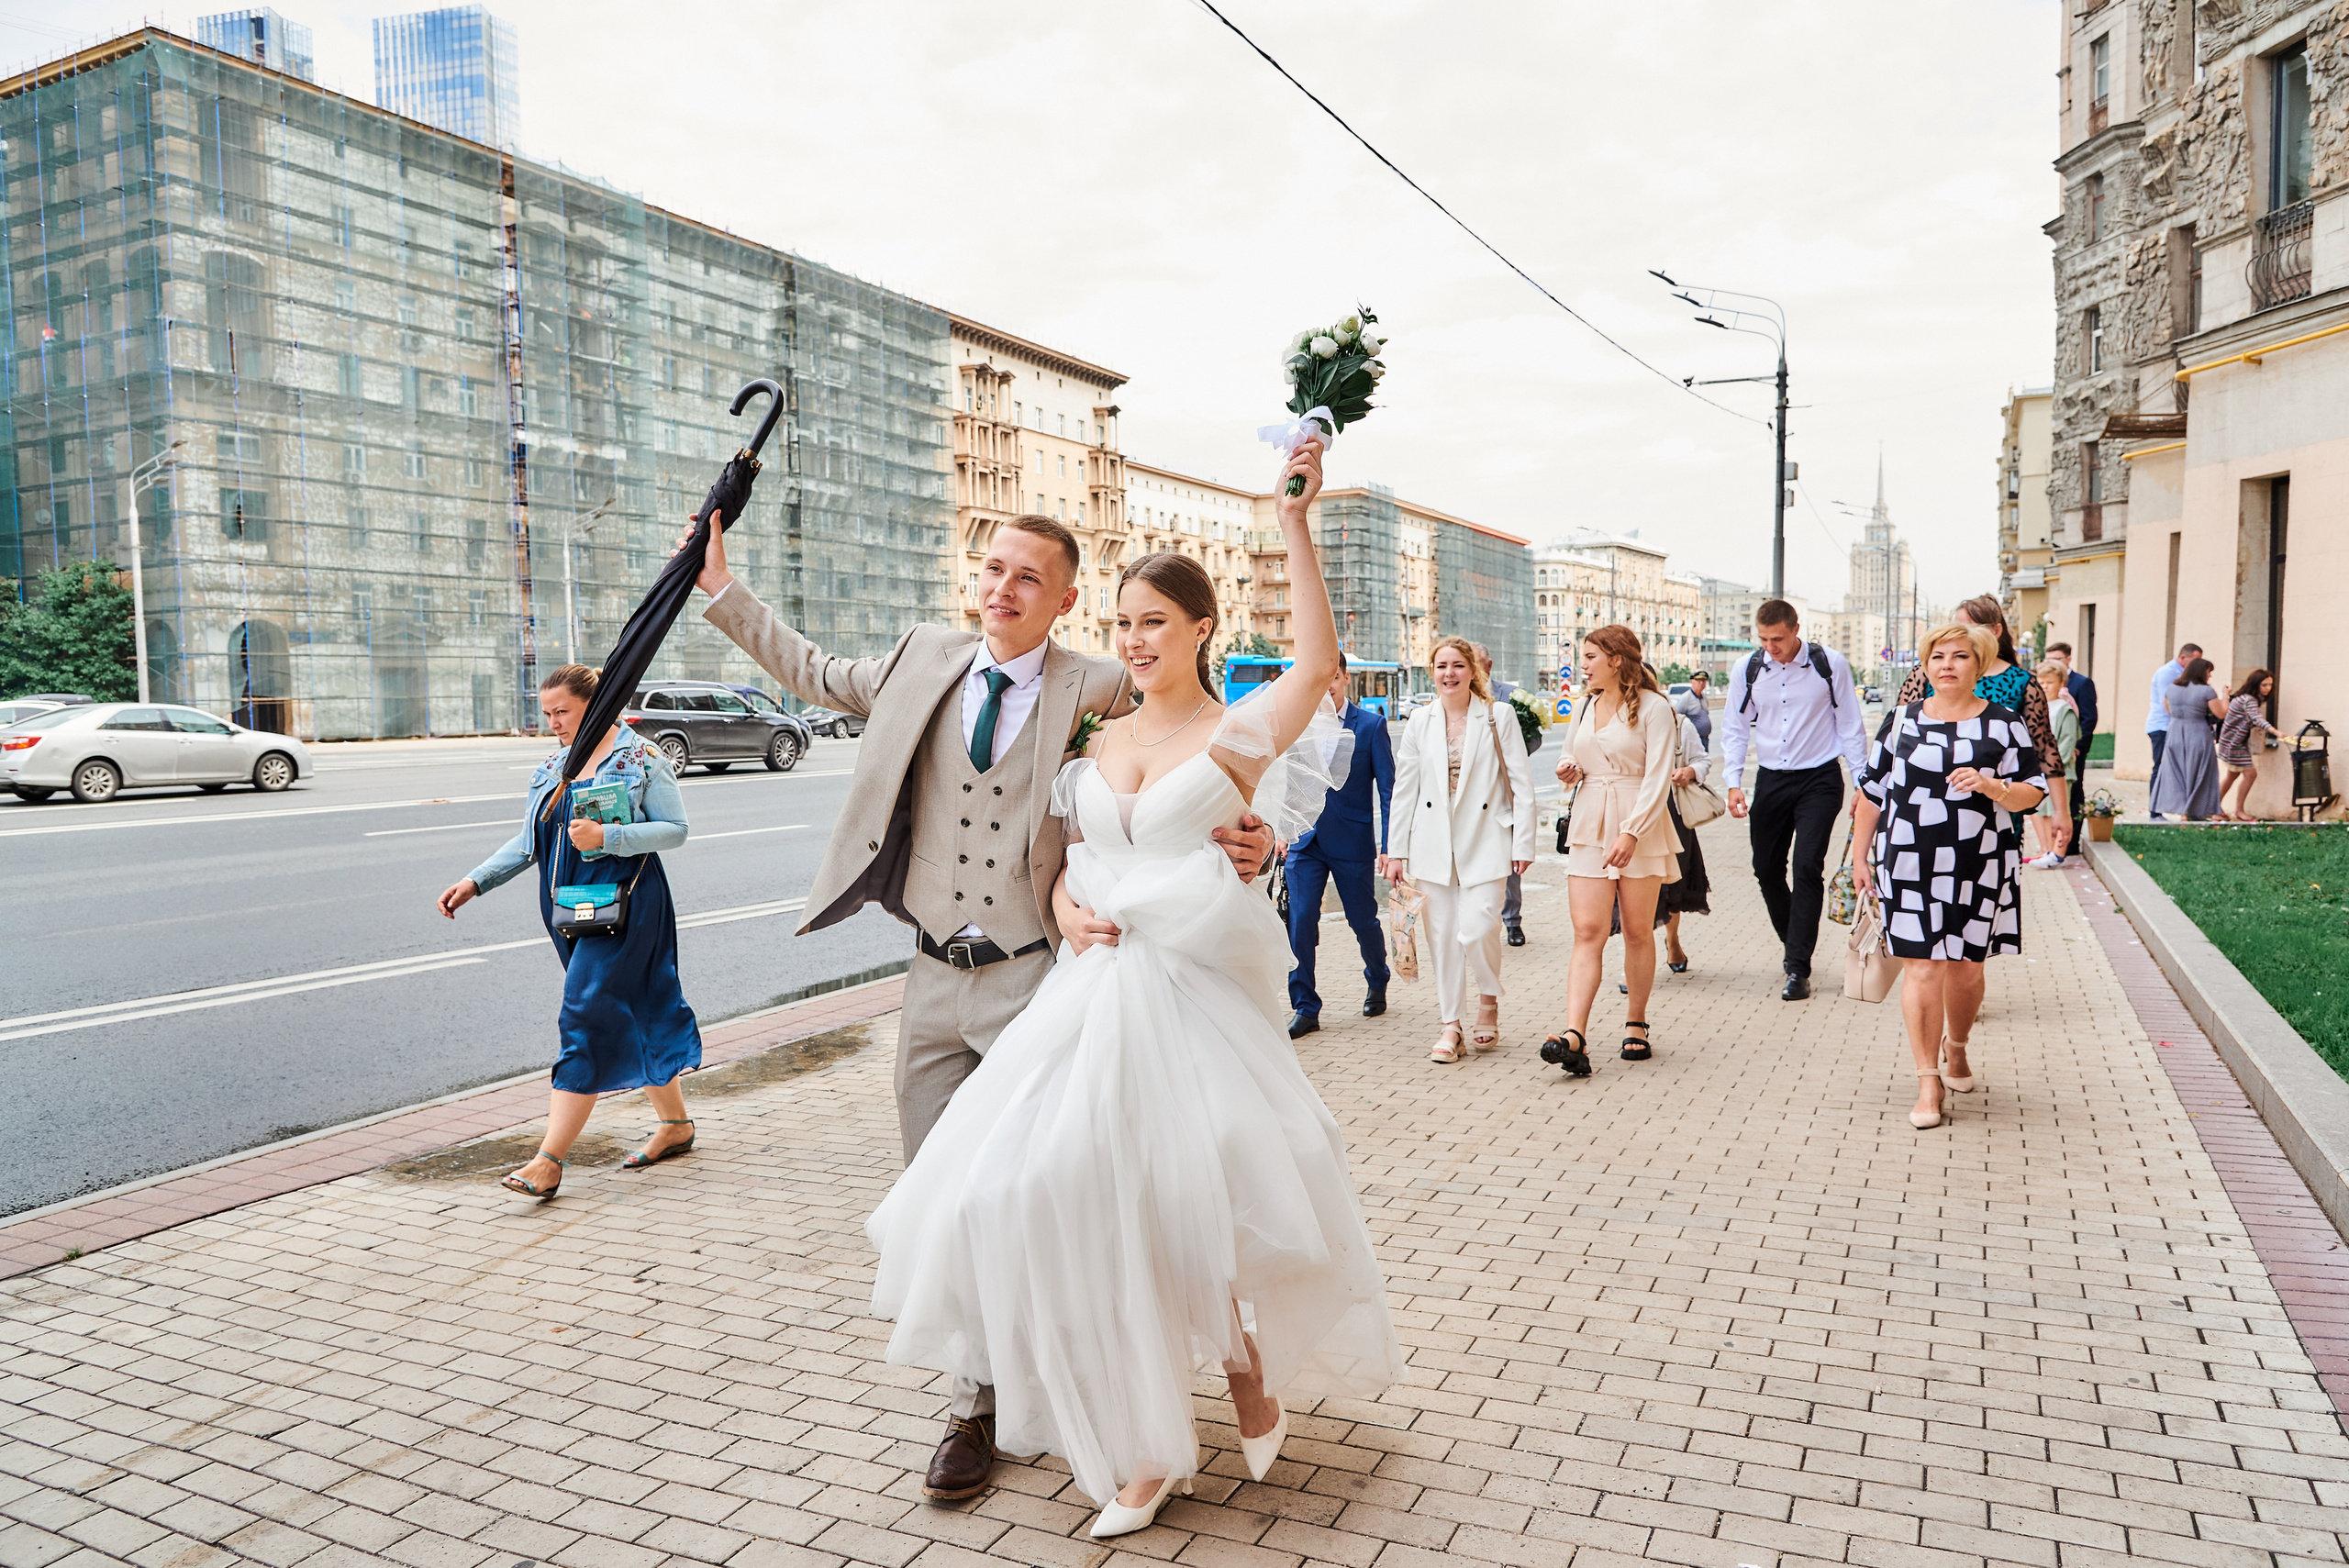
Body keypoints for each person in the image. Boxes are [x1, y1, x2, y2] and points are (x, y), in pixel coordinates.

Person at [866, 440, 1402, 1537]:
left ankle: (1196, 1409)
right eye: (1120, 623)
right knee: (1039, 1192)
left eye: (1153, 620)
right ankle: (1179, 1404)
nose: (1132, 639)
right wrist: (1063, 906)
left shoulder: (1236, 732)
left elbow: (1313, 660)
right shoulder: (1093, 731)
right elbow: (1056, 858)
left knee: (1178, 1198)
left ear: (1202, 628)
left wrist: (1291, 520)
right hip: (1086, 997)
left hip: (1189, 1006)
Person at [685, 506, 1273, 1500]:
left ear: (1065, 600)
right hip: (926, 981)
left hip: (1032, 979)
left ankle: (1057, 1389)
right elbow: (818, 673)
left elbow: (1195, 755)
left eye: (1027, 578)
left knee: (1033, 1196)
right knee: (946, 1199)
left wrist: (1259, 842)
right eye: (991, 568)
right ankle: (977, 1400)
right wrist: (718, 590)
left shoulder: (1098, 682)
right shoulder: (925, 655)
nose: (1001, 588)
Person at [437, 664, 700, 1197]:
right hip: (572, 907)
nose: (553, 723)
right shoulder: (553, 766)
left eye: (564, 712)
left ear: (595, 705)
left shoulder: (641, 758)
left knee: (585, 1011)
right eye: (548, 713)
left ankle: (548, 1160)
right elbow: (531, 841)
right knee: (636, 1007)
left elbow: (675, 831)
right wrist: (476, 881)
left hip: (627, 904)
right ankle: (675, 1126)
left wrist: (610, 834)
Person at [1852, 623, 2046, 1131]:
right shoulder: (1900, 722)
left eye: (1960, 656)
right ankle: (1926, 1080)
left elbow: (2033, 792)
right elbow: (1871, 793)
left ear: (1978, 665)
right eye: (1937, 656)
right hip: (1909, 861)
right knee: (1922, 969)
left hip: (1979, 861)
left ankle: (1956, 1047)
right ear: (1924, 664)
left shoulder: (2004, 725)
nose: (1947, 665)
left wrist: (1991, 785)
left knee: (1966, 970)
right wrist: (1858, 858)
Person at [1536, 627, 1681, 1074]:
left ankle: (1636, 1022)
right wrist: (1569, 768)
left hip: (1639, 824)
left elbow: (1659, 778)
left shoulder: (1656, 709)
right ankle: (1575, 1033)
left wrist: (1632, 831)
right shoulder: (1584, 705)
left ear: (1616, 659)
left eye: (1590, 655)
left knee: (1638, 931)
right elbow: (1570, 753)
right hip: (1589, 822)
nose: (1583, 664)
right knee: (1587, 931)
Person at [1386, 638, 1536, 1062]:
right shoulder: (1420, 720)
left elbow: (1521, 784)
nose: (1448, 673)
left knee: (1478, 926)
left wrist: (1523, 842)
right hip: (1433, 844)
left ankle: (1488, 998)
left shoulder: (1497, 716)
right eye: (1440, 666)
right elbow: (1405, 790)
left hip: (1487, 839)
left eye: (1456, 665)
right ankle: (1451, 1026)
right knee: (1443, 939)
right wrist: (1396, 851)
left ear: (1473, 671)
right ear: (1432, 672)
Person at [1721, 600, 1867, 1001]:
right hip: (1771, 778)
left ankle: (1798, 968)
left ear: (1796, 629)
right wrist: (1733, 781)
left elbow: (1851, 726)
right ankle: (1795, 944)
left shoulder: (1829, 664)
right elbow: (1735, 727)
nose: (1772, 647)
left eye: (1779, 639)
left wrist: (1862, 785)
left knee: (1806, 867)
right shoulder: (1748, 669)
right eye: (1765, 639)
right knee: (1766, 868)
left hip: (1820, 778)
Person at [1896, 595, 2067, 852]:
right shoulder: (1928, 673)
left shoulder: (2023, 683)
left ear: (1996, 631)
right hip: (1926, 810)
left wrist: (2061, 811)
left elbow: (2045, 752)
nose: (1960, 636)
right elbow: (1896, 740)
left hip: (1999, 808)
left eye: (1971, 628)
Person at [1285, 649, 1395, 1038]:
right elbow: (1286, 783)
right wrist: (1280, 831)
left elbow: (1388, 792)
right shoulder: (1297, 725)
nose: (1325, 687)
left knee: (1362, 920)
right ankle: (1305, 1006)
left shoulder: (1370, 726)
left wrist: (1390, 846)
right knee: (1299, 924)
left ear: (1345, 679)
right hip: (1304, 843)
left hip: (1352, 841)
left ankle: (1378, 975)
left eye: (1332, 678)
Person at [1474, 643, 1531, 945]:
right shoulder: (1452, 699)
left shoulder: (1510, 697)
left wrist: (1515, 750)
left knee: (1510, 866)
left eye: (1476, 663)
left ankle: (1512, 921)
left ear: (1489, 664)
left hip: (1503, 792)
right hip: (1471, 800)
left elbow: (1533, 738)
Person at [1660, 704, 1713, 971]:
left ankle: (1672, 940)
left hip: (1672, 812)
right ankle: (1633, 960)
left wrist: (1690, 772)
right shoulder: (1614, 720)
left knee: (1672, 885)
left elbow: (1702, 760)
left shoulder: (1679, 724)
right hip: (1628, 813)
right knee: (1630, 888)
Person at [2147, 656, 2226, 820]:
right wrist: (2226, 695)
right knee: (2200, 771)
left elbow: (2168, 709)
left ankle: (2183, 811)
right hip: (2197, 731)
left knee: (2178, 772)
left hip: (2175, 731)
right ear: (2201, 672)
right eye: (2208, 672)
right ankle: (2195, 810)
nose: (2210, 676)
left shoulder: (2172, 688)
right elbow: (2221, 713)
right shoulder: (2207, 691)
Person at [2026, 659, 2079, 867]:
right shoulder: (2039, 707)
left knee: (2058, 809)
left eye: (2049, 682)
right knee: (2042, 810)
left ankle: (2058, 852)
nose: (2045, 687)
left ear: (2060, 684)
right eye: (2041, 682)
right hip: (2040, 768)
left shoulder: (2064, 709)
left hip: (2059, 770)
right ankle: (2047, 848)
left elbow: (2066, 741)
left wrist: (2053, 766)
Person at [2046, 641, 2098, 848]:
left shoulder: (2081, 683)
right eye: (2049, 659)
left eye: (2057, 659)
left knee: (2074, 791)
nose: (2053, 663)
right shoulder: (2045, 681)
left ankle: (2072, 841)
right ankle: (2053, 842)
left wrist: (2078, 746)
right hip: (2052, 747)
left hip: (2073, 748)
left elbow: (2089, 718)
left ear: (2068, 658)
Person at [2217, 669, 2280, 821]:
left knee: (2232, 775)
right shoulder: (2249, 700)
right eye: (2264, 685)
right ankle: (2238, 811)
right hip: (2235, 744)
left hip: (2231, 742)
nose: (2268, 688)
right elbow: (2257, 718)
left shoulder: (2242, 697)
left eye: (2270, 685)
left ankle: (2214, 807)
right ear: (2255, 684)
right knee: (2250, 774)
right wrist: (2275, 732)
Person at [2145, 640, 2200, 814]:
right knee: (2161, 767)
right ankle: (2155, 810)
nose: (2197, 664)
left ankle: (2180, 808)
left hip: (2176, 727)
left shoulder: (2186, 673)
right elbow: (2168, 702)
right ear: (2183, 657)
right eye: (2195, 660)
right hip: (2162, 726)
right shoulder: (2167, 673)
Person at [1673, 669, 1712, 750]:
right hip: (1693, 739)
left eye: (1704, 681)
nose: (1701, 683)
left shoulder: (1704, 698)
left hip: (1704, 738)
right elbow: (1678, 717)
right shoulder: (1686, 698)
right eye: (1698, 681)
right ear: (1692, 681)